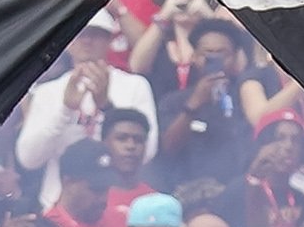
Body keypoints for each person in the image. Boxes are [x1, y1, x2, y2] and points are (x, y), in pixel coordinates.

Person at [15, 13, 156, 212]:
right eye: (80, 33)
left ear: (109, 39)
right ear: (68, 41)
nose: (87, 41)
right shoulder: (47, 91)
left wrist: (107, 107)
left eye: (96, 34)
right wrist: (65, 111)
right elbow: (29, 159)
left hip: (120, 205)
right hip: (58, 205)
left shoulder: (135, 86)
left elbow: (148, 151)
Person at [155, 19, 255, 199]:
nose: (214, 60)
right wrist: (193, 105)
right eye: (207, 54)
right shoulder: (173, 102)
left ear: (234, 57)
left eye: (222, 54)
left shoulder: (246, 97)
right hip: (185, 193)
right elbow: (167, 147)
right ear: (194, 56)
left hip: (235, 193)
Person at [46, 141, 127, 227]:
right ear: (68, 182)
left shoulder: (121, 222)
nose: (103, 198)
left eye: (106, 189)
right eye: (96, 189)